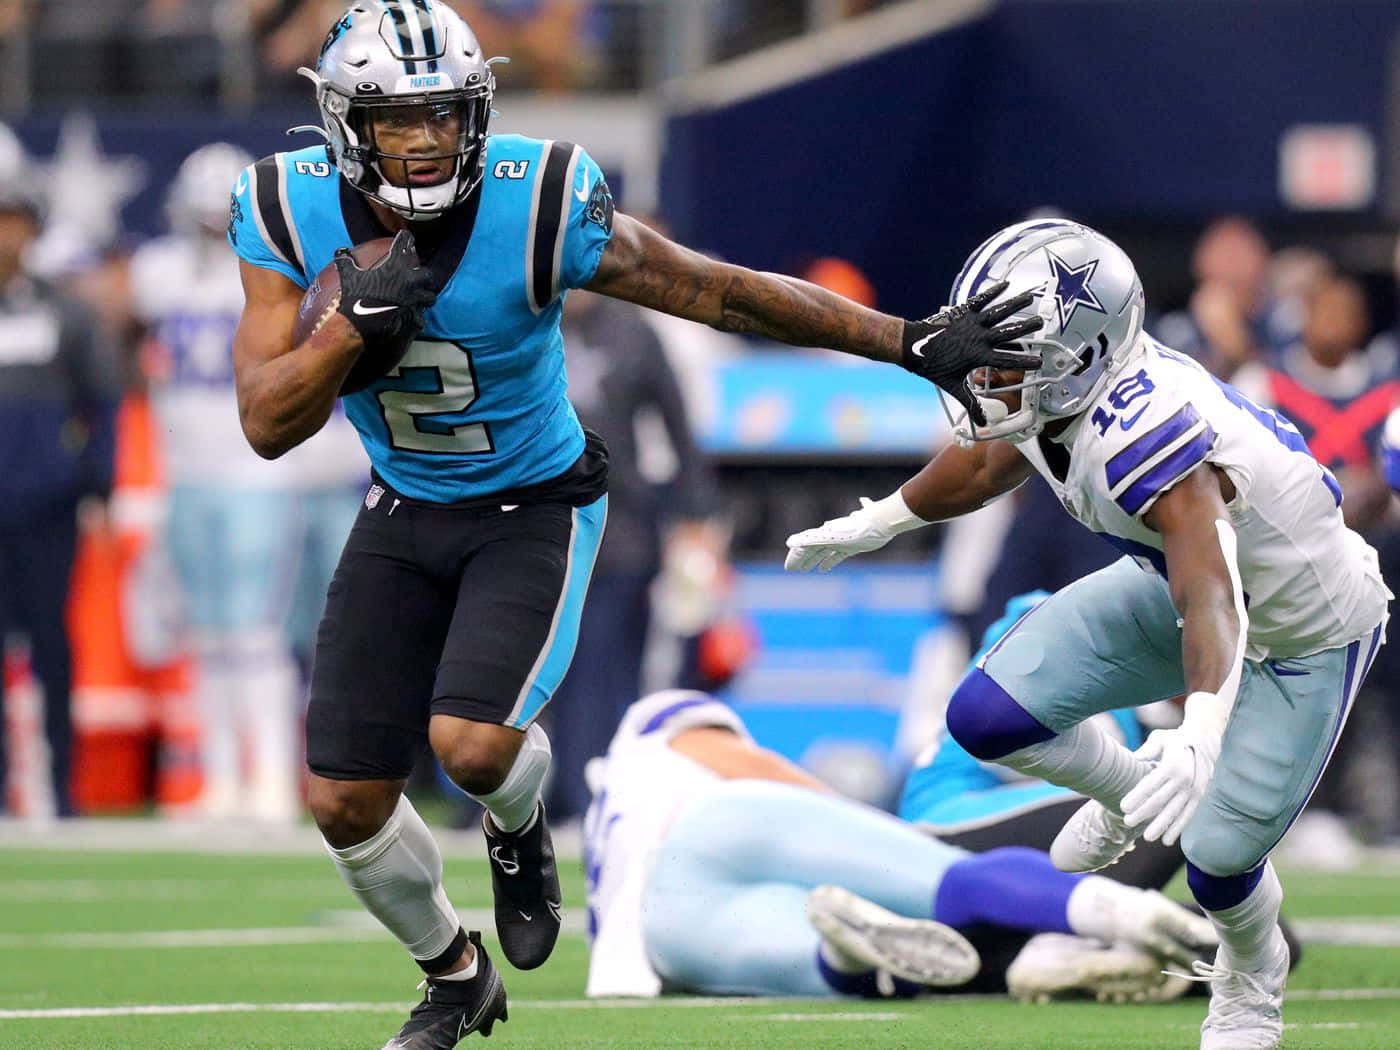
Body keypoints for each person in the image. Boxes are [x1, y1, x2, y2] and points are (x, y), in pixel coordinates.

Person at [225, 3, 1038, 1046]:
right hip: (401, 501)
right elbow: (265, 422)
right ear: (346, 123)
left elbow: (715, 291)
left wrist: (905, 341)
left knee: (472, 747)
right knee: (343, 803)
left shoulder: (538, 198)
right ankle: (454, 975)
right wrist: (349, 331)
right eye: (398, 119)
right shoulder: (283, 205)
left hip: (533, 500)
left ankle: (517, 821)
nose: (426, 140)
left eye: (444, 114)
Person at [784, 218, 1391, 1050]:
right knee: (987, 716)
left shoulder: (1145, 431)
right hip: (1177, 587)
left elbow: (1213, 592)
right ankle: (1121, 792)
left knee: (1216, 858)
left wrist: (1200, 731)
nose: (981, 375)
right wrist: (878, 521)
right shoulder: (1062, 388)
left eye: (1002, 360)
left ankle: (1251, 983)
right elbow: (989, 460)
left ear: (1078, 358)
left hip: (1304, 629)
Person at [584, 688, 1216, 1003]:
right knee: (950, 882)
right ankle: (1120, 913)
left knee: (829, 965)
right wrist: (863, 833)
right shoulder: (650, 728)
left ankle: (863, 954)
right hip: (708, 826)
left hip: (664, 933)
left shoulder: (603, 833)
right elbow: (748, 767)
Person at [133, 142, 367, 822]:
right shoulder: (161, 273)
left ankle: (268, 775)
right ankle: (220, 778)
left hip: (258, 477)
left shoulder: (281, 275)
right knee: (207, 637)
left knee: (257, 633)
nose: (212, 233)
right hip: (188, 474)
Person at [0, 133, 120, 818]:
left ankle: (62, 789)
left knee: (52, 643)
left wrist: (97, 485)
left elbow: (101, 404)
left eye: (13, 220)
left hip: (45, 507)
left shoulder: (64, 311)